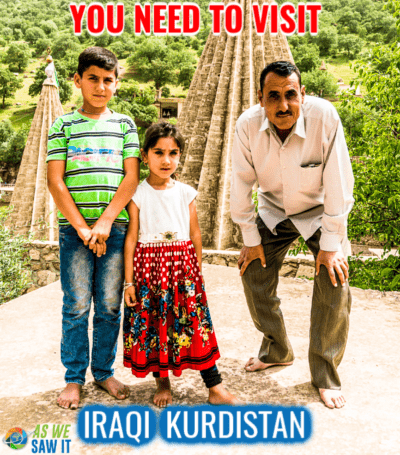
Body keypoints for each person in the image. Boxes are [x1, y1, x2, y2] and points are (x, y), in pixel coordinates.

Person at [230, 60, 354, 409]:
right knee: (252, 273)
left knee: (334, 282)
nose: (283, 106)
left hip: (319, 210)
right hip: (274, 209)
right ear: (261, 100)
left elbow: (338, 186)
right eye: (274, 97)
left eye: (290, 95)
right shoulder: (247, 126)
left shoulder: (324, 118)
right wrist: (250, 240)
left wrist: (330, 247)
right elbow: (240, 183)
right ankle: (277, 349)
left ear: (303, 94)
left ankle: (325, 373)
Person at [47, 46, 140, 410]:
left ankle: (102, 371)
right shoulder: (63, 125)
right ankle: (73, 378)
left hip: (114, 229)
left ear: (116, 84)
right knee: (76, 305)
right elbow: (56, 182)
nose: (100, 87)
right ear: (77, 80)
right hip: (75, 232)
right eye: (93, 79)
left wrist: (103, 223)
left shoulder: (124, 125)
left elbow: (131, 177)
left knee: (109, 306)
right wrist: (84, 228)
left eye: (108, 80)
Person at [123, 122, 239, 407]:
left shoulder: (186, 192)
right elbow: (131, 238)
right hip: (149, 271)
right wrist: (129, 282)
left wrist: (196, 272)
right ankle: (162, 382)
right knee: (155, 326)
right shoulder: (137, 194)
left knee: (195, 325)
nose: (166, 160)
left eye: (173, 153)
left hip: (183, 269)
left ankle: (214, 386)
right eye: (159, 152)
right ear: (145, 154)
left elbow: (195, 234)